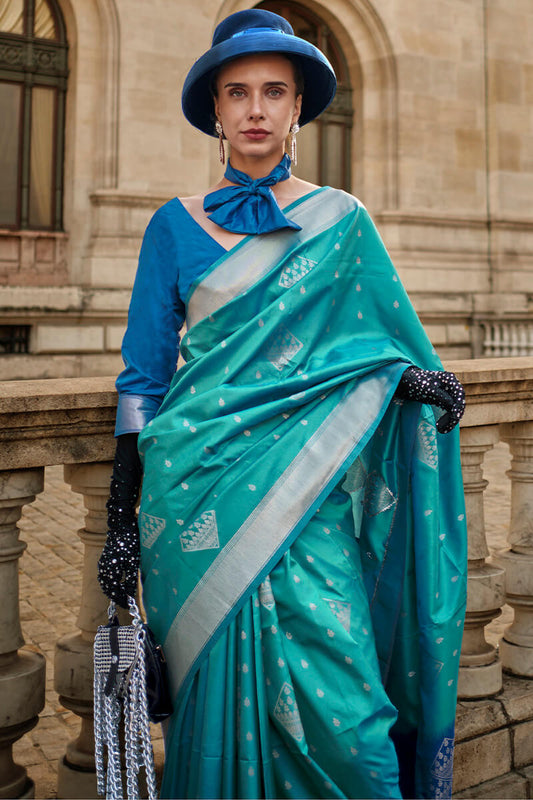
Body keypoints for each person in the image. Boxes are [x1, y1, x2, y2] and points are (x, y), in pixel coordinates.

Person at [98, 9, 467, 800]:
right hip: (191, 496)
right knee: (213, 710)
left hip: (309, 499)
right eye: (238, 93)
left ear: (299, 107)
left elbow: (364, 346)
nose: (256, 110)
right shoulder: (172, 226)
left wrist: (409, 381)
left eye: (274, 91)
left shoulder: (342, 223)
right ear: (216, 111)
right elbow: (142, 381)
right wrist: (118, 522)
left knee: (351, 718)